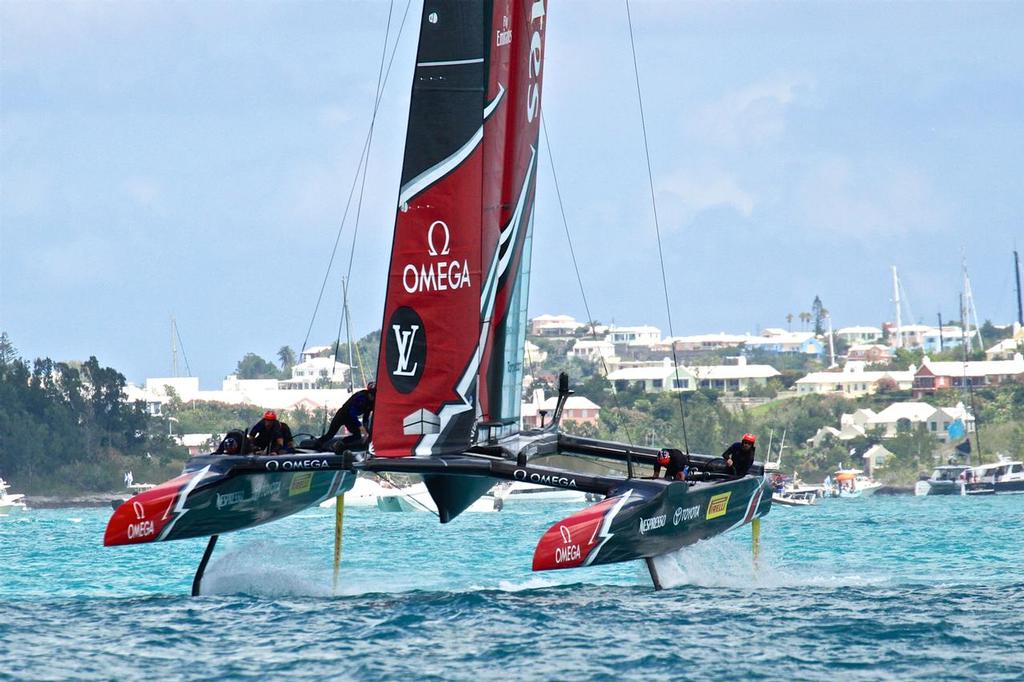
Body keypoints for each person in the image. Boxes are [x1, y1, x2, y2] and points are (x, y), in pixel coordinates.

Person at [314, 382, 376, 449]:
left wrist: (367, 431)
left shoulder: (371, 403)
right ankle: (317, 445)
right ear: (368, 393)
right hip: (342, 415)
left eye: (374, 395)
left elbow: (365, 418)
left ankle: (339, 444)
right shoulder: (361, 397)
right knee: (330, 434)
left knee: (357, 435)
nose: (372, 397)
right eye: (371, 394)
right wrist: (360, 427)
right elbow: (352, 412)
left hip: (349, 419)